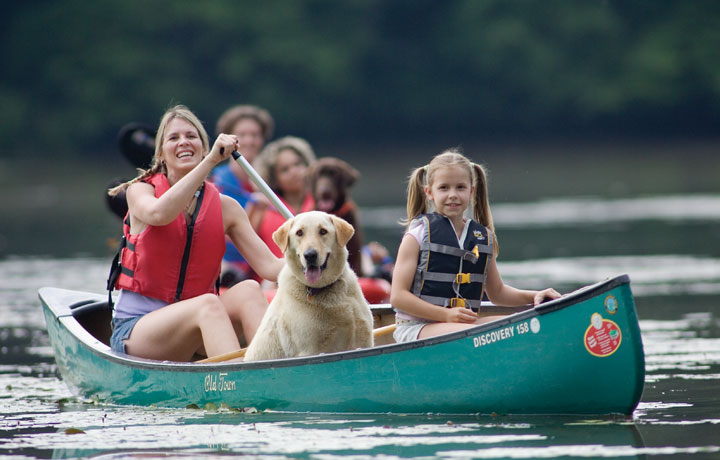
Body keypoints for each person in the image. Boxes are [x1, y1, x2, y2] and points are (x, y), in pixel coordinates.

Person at [106, 105, 283, 362]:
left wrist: (321, 259)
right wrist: (211, 161)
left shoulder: (226, 207)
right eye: (173, 138)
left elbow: (270, 267)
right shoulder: (140, 192)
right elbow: (159, 215)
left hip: (197, 325)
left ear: (202, 145)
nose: (183, 142)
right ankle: (241, 390)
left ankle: (275, 370)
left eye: (191, 136)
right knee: (207, 304)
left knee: (248, 289)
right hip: (137, 329)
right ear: (161, 154)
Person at [390, 148, 561, 343]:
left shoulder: (482, 237)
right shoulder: (416, 236)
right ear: (429, 192)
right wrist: (445, 315)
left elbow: (497, 293)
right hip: (417, 328)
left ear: (471, 191)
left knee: (520, 326)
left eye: (460, 187)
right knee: (485, 332)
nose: (453, 195)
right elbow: (398, 297)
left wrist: (536, 296)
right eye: (444, 188)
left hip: (462, 327)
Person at [209, 105, 275, 286]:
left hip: (266, 263)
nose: (249, 141)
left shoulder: (271, 181)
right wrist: (253, 212)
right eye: (242, 135)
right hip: (228, 268)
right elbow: (214, 234)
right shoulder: (216, 181)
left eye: (255, 135)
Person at [250, 136, 316, 260]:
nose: (294, 171)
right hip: (273, 276)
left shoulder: (321, 202)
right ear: (274, 179)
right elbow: (247, 249)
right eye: (285, 170)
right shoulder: (262, 207)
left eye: (298, 164)